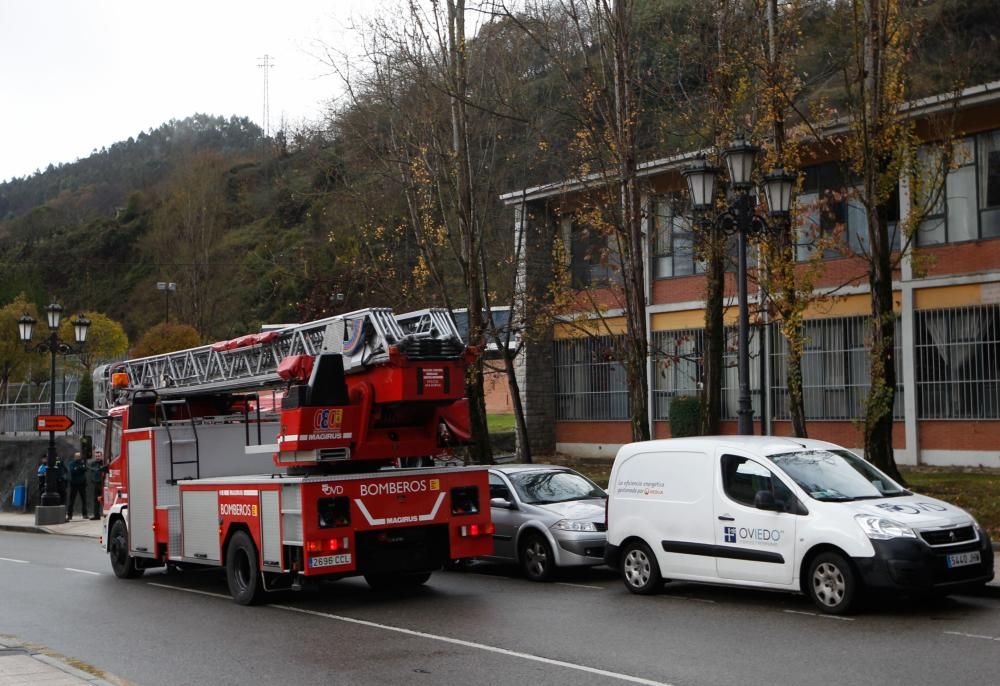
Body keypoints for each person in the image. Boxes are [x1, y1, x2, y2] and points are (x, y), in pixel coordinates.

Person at [66, 452, 88, 520]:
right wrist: (80, 468)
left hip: (82, 484)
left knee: (84, 500)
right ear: (74, 457)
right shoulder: (72, 464)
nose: (78, 458)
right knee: (71, 500)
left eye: (79, 456)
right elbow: (72, 471)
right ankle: (70, 515)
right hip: (74, 484)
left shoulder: (82, 463)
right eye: (77, 456)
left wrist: (78, 468)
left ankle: (85, 514)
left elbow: (85, 469)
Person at [88, 455, 105, 520]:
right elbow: (92, 472)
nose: (97, 457)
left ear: (101, 456)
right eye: (96, 456)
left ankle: (106, 514)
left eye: (99, 456)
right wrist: (93, 480)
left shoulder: (103, 463)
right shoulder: (93, 464)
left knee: (105, 499)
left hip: (103, 484)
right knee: (96, 500)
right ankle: (96, 515)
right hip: (96, 483)